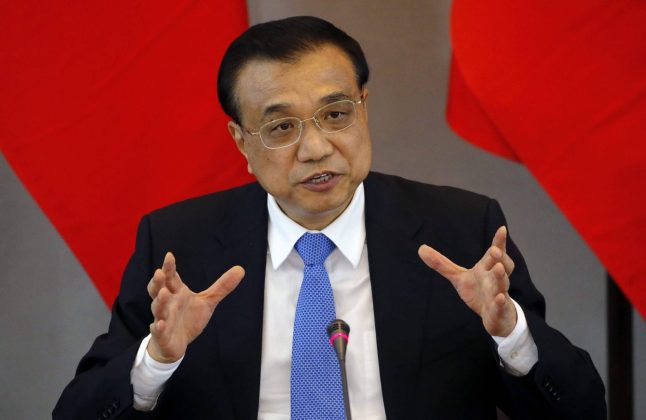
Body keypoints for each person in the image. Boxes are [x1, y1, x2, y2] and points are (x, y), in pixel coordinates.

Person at [54, 16, 606, 419]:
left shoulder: (459, 231)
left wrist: (511, 336)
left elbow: (582, 408)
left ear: (364, 106)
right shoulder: (180, 245)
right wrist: (156, 361)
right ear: (241, 141)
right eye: (281, 127)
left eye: (336, 114)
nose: (316, 148)